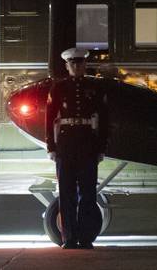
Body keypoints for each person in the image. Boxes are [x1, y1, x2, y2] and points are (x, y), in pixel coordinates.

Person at [45, 47, 109, 250]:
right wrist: (51, 146)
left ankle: (86, 237)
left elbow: (104, 117)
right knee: (66, 193)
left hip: (87, 142)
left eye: (80, 63)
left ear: (85, 65)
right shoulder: (59, 88)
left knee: (88, 193)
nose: (76, 66)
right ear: (67, 66)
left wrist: (101, 146)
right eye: (72, 63)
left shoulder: (95, 87)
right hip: (66, 143)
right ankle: (69, 238)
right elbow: (49, 118)